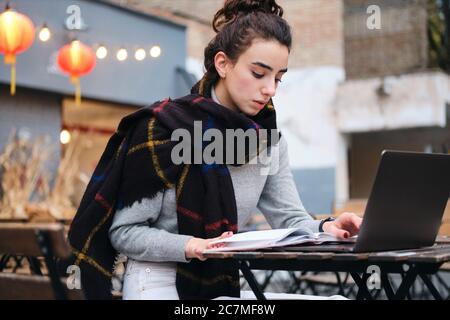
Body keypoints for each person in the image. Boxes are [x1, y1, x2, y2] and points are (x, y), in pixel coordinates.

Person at [67, 0, 362, 300]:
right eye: (259, 74)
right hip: (156, 283)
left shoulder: (268, 142)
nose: (271, 89)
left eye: (278, 78)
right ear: (223, 64)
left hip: (220, 285)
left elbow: (290, 221)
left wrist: (327, 227)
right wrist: (189, 245)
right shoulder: (162, 130)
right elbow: (124, 232)